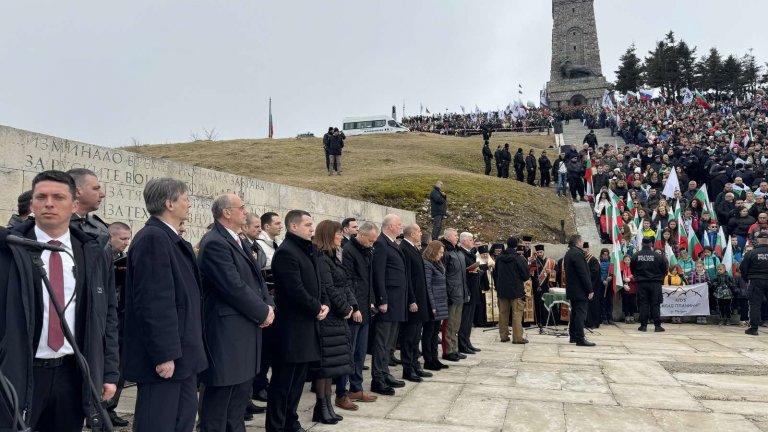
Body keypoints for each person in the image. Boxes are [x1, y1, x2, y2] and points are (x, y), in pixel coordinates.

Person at [1, 170, 119, 432]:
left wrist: (108, 371)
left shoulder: (92, 251)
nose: (49, 203)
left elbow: (107, 315)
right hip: (21, 371)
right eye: (41, 197)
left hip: (72, 373)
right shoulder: (9, 250)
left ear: (74, 205)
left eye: (58, 197)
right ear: (31, 204)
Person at [124, 178, 207, 432]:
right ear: (170, 203)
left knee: (181, 421)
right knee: (158, 423)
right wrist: (164, 355)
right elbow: (154, 302)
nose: (189, 205)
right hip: (166, 359)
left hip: (182, 356)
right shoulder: (153, 238)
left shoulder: (167, 238)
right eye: (185, 199)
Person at [198, 194, 275, 432]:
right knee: (220, 398)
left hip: (245, 329)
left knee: (239, 397)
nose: (245, 211)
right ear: (226, 213)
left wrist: (268, 305)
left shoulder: (237, 240)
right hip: (226, 333)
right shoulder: (214, 243)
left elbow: (257, 280)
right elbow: (233, 287)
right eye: (241, 208)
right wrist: (262, 311)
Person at [266, 210, 328, 432]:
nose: (312, 228)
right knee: (283, 382)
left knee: (298, 382)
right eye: (308, 224)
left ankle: (291, 421)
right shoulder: (287, 252)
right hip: (290, 329)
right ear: (293, 226)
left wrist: (323, 304)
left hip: (307, 326)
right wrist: (316, 306)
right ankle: (276, 426)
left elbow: (316, 284)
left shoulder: (306, 250)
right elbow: (294, 289)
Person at [312, 220, 356, 422]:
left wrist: (350, 306)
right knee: (325, 367)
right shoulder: (322, 258)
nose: (341, 237)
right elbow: (328, 288)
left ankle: (327, 405)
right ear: (329, 235)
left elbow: (344, 284)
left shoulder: (332, 257)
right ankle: (321, 407)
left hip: (337, 317)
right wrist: (345, 308)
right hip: (329, 318)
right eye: (338, 233)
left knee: (330, 367)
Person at [338, 222, 379, 404]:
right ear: (361, 235)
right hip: (356, 310)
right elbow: (348, 282)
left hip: (365, 308)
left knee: (361, 353)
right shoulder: (349, 251)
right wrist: (354, 307)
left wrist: (371, 302)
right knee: (350, 351)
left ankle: (357, 388)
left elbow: (367, 281)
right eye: (370, 240)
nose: (372, 244)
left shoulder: (367, 250)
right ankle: (343, 391)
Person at [370, 214, 407, 395]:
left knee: (390, 341)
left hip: (397, 300)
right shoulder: (381, 244)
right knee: (382, 342)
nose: (401, 227)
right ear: (390, 226)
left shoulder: (391, 243)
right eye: (399, 224)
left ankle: (385, 373)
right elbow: (378, 274)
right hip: (388, 301)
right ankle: (377, 378)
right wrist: (382, 300)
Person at [104, 222, 132, 427]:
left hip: (120, 319)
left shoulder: (125, 260)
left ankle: (110, 408)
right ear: (110, 237)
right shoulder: (100, 257)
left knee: (119, 367)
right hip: (104, 319)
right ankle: (98, 410)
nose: (126, 243)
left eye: (127, 239)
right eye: (122, 239)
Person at [399, 224, 433, 382]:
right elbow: (407, 278)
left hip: (420, 299)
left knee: (415, 336)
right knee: (409, 337)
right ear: (412, 233)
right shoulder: (405, 248)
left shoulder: (413, 248)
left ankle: (415, 365)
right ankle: (408, 368)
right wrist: (411, 300)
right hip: (413, 301)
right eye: (419, 231)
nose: (421, 234)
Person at [494, 237, 531, 344]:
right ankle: (518, 337)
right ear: (516, 246)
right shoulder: (519, 259)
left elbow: (495, 274)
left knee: (503, 314)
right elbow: (525, 275)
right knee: (517, 314)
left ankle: (503, 336)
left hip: (502, 290)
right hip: (516, 291)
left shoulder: (499, 258)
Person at [439, 228, 469, 358]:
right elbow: (443, 274)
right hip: (451, 293)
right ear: (448, 237)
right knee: (449, 324)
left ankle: (455, 348)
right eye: (455, 235)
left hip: (460, 292)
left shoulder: (458, 251)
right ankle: (448, 351)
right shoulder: (445, 252)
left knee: (456, 324)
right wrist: (446, 293)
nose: (457, 237)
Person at [630, 237, 668, 332]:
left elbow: (632, 269)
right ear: (651, 244)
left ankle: (643, 326)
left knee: (643, 304)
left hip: (641, 283)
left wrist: (638, 277)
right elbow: (664, 269)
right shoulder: (658, 256)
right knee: (655, 304)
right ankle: (657, 326)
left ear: (642, 244)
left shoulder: (636, 255)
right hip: (655, 283)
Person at [564, 235, 596, 346]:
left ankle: (573, 336)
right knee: (580, 314)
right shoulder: (577, 254)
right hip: (580, 290)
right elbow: (583, 274)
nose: (583, 243)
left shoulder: (569, 253)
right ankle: (580, 338)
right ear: (578, 242)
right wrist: (590, 289)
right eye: (582, 241)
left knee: (575, 313)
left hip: (573, 289)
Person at [422, 240, 449, 371]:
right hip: (433, 303)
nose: (442, 255)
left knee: (434, 333)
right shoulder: (427, 264)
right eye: (440, 252)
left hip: (440, 302)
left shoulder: (437, 263)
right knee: (428, 333)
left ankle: (435, 358)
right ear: (433, 251)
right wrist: (432, 305)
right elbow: (427, 287)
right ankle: (428, 360)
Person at [66, 168, 109, 243]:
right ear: (77, 192)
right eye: (96, 188)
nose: (102, 194)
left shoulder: (101, 228)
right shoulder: (54, 224)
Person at [457, 232, 481, 354]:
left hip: (473, 288)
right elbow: (460, 272)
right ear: (464, 241)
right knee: (465, 319)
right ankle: (462, 344)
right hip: (467, 289)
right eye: (471, 240)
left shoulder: (469, 253)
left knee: (469, 319)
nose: (472, 241)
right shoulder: (461, 253)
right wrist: (470, 271)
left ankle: (467, 341)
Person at [532, 245, 556, 327]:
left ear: (543, 251)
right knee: (539, 304)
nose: (539, 254)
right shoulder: (534, 262)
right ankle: (540, 321)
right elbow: (532, 275)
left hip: (548, 286)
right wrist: (536, 283)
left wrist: (551, 272)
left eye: (540, 252)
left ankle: (550, 321)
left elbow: (556, 272)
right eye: (538, 252)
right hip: (538, 287)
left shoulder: (550, 262)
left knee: (548, 303)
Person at [619, 254, 637, 324]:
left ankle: (632, 316)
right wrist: (623, 285)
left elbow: (636, 278)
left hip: (632, 289)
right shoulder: (621, 269)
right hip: (624, 289)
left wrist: (630, 279)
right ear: (623, 260)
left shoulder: (634, 269)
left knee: (632, 303)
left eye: (628, 260)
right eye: (625, 260)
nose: (627, 261)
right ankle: (626, 316)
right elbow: (619, 279)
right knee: (625, 303)